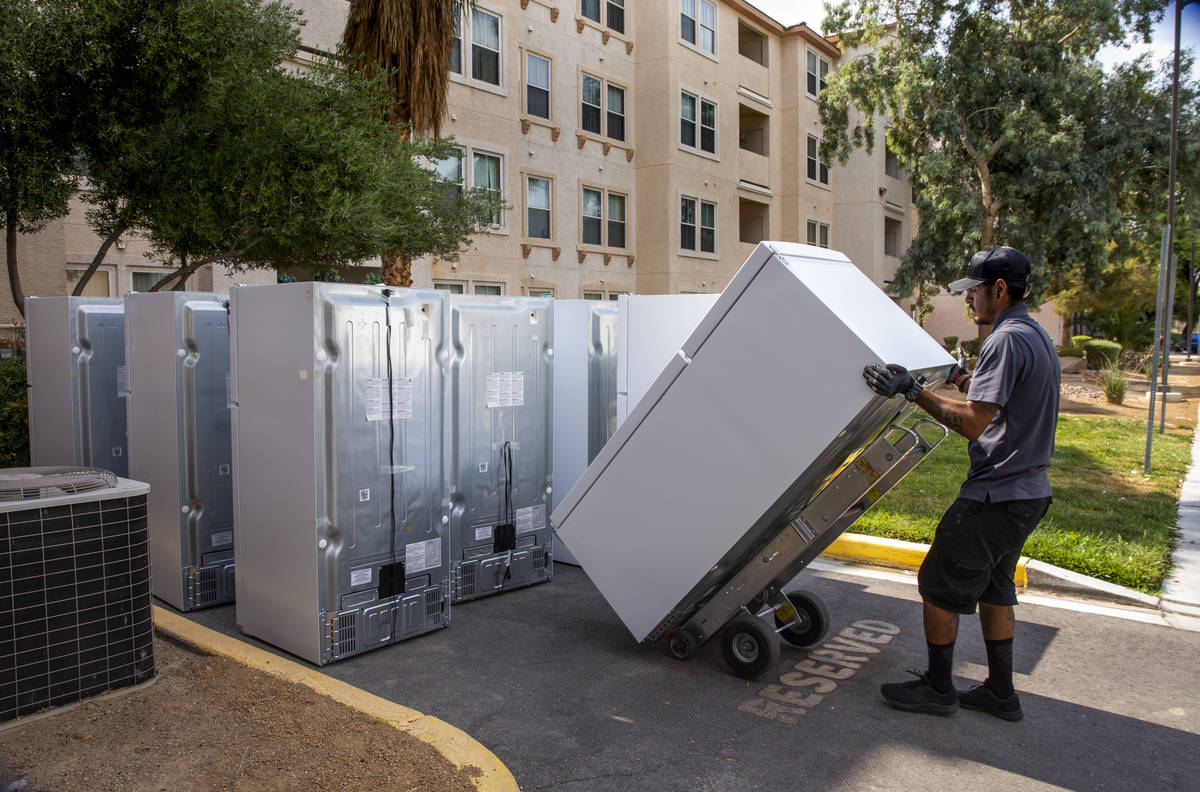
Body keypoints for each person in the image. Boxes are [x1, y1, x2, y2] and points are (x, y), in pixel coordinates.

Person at [862, 245, 1060, 722]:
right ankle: (1000, 692)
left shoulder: (1005, 339)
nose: (969, 300)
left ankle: (938, 688)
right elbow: (995, 397)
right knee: (995, 589)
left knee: (937, 583)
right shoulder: (1032, 334)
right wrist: (955, 375)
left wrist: (913, 390)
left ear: (998, 289)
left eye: (973, 291)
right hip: (1029, 493)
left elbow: (974, 423)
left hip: (995, 494)